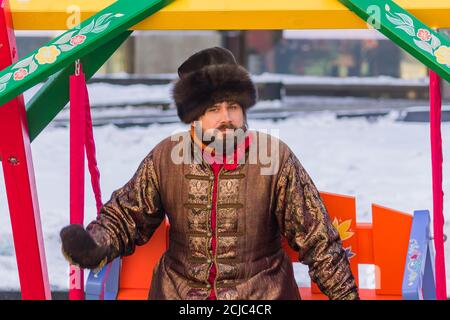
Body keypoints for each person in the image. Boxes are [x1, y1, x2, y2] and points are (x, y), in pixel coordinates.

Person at [60, 47, 359, 300]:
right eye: (214, 108)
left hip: (260, 295)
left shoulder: (273, 157)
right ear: (195, 115)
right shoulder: (167, 156)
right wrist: (94, 246)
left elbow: (317, 238)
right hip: (180, 293)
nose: (226, 118)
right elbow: (126, 216)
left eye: (233, 106)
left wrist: (345, 296)